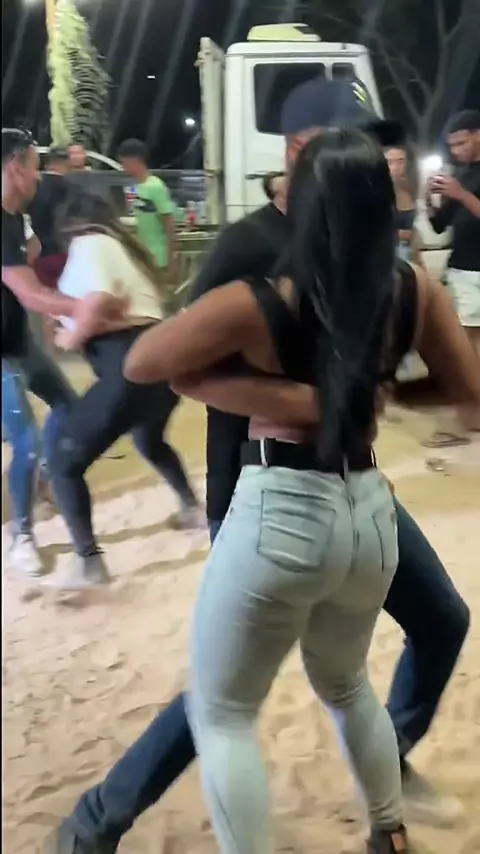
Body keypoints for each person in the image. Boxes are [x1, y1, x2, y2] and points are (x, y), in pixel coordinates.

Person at [45, 81, 473, 854]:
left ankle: (106, 821)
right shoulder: (379, 278)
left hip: (296, 499)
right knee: (327, 687)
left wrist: (350, 397)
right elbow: (467, 392)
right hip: (337, 497)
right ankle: (384, 828)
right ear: (301, 151)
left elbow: (150, 361)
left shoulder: (276, 289)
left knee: (227, 708)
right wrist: (329, 399)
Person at [42, 188, 202, 590]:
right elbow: (122, 311)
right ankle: (191, 508)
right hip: (160, 366)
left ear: (70, 225)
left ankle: (89, 564)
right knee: (149, 439)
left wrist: (71, 336)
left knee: (63, 463)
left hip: (128, 367)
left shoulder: (90, 243)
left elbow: (99, 299)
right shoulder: (122, 249)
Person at [2, 128, 129, 576]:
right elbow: (31, 294)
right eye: (34, 167)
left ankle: (40, 484)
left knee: (66, 405)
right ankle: (22, 534)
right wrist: (86, 307)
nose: (40, 177)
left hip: (16, 341)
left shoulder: (16, 218)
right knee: (26, 439)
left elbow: (32, 258)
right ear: (15, 167)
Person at [424, 109, 480, 448]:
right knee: (466, 343)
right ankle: (470, 415)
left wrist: (460, 194)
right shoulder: (461, 174)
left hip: (476, 272)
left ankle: (469, 416)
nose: (456, 150)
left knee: (467, 345)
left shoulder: (463, 183)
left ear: (478, 135)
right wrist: (429, 199)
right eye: (452, 145)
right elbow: (438, 225)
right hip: (464, 269)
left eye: (461, 143)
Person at [117, 139, 178, 279]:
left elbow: (168, 221)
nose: (123, 167)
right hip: (145, 255)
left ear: (135, 160)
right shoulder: (137, 187)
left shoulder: (156, 186)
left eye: (124, 163)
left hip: (159, 257)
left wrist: (172, 258)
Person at [384, 144, 422, 265]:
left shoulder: (411, 187)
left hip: (407, 250)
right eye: (389, 162)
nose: (395, 167)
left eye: (401, 161)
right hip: (384, 251)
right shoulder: (374, 189)